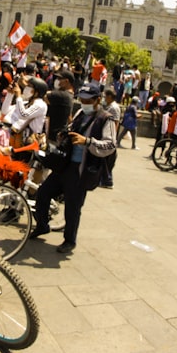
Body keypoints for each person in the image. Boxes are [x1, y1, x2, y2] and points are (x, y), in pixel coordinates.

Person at [29, 81, 117, 254]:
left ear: (97, 100)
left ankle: (70, 240)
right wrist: (64, 135)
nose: (84, 104)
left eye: (88, 101)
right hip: (65, 165)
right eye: (82, 100)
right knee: (43, 192)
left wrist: (88, 142)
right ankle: (42, 225)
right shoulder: (80, 113)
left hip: (82, 169)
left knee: (72, 206)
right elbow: (70, 129)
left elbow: (110, 145)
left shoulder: (106, 119)